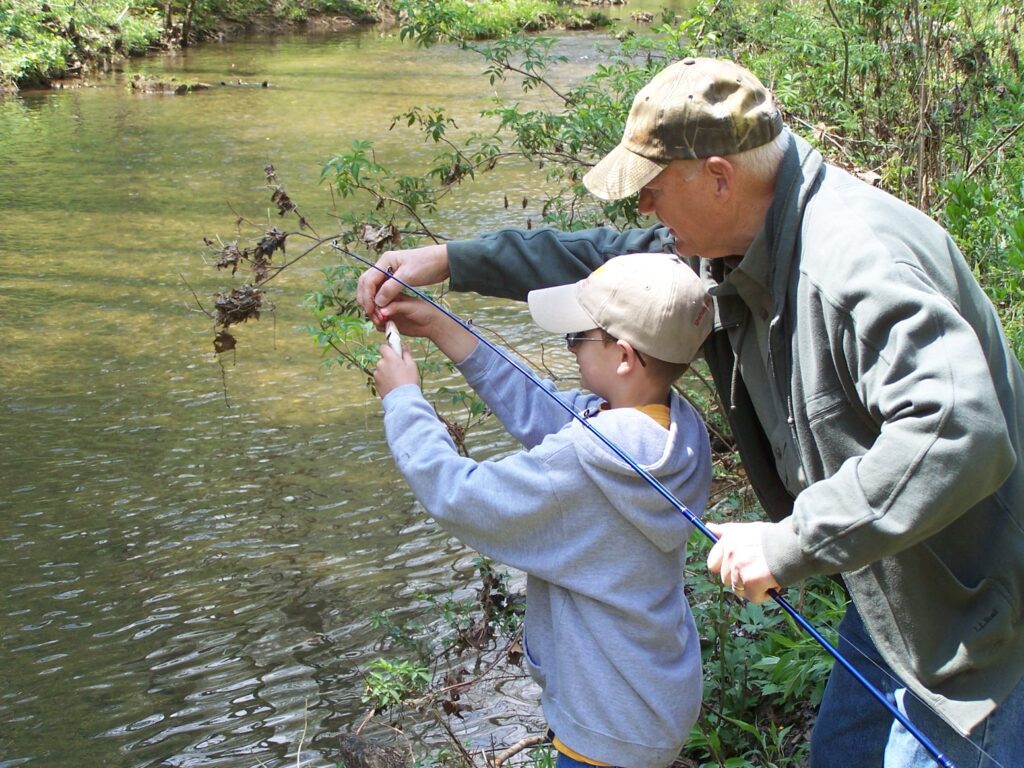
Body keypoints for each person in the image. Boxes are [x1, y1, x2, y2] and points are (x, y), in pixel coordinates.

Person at [358, 57, 1024, 767]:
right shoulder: (730, 244)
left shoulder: (854, 264)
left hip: (980, 596)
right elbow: (601, 264)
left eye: (652, 188)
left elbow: (959, 428)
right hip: (894, 575)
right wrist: (450, 260)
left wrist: (788, 542)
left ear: (718, 176)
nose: (642, 208)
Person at [372, 252, 714, 768]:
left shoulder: (583, 462)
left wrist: (403, 400)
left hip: (602, 725)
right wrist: (443, 328)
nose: (571, 347)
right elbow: (546, 410)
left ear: (622, 356)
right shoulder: (678, 430)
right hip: (654, 695)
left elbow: (459, 495)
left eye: (577, 337)